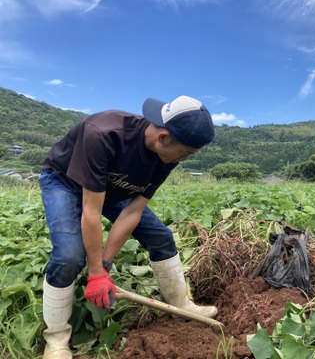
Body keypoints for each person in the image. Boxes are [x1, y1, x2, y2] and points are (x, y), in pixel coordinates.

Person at [39, 95, 217, 359]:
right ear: (163, 137)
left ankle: (181, 304)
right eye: (186, 153)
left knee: (160, 236)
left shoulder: (166, 157)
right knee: (69, 256)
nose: (186, 159)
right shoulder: (103, 133)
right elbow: (91, 211)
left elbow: (133, 210)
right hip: (65, 182)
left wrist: (105, 264)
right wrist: (95, 271)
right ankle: (56, 340)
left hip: (113, 189)